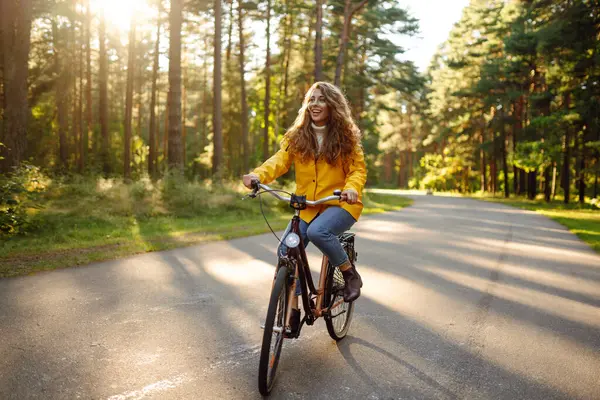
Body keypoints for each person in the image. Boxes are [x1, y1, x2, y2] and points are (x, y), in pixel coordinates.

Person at [243, 82, 367, 330]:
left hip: (338, 204)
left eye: (321, 100)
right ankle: (293, 309)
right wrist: (258, 175)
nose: (315, 104)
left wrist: (351, 189)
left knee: (317, 232)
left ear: (332, 105)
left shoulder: (346, 137)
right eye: (311, 100)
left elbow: (357, 170)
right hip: (307, 206)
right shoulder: (297, 136)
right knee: (285, 252)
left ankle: (349, 273)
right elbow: (279, 161)